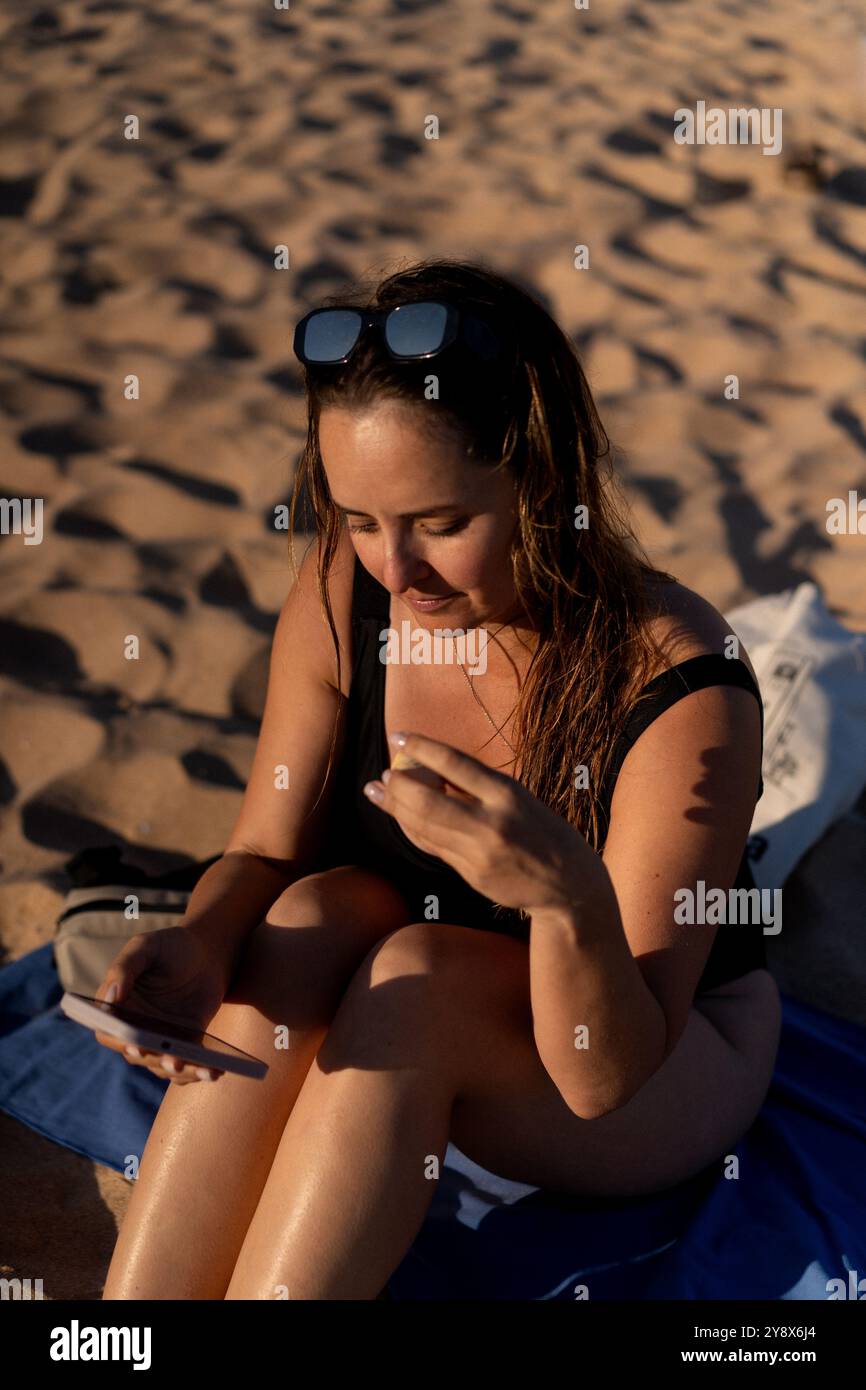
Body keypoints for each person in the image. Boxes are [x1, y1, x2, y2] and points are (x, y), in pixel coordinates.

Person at [97, 258, 781, 1300]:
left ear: (541, 482)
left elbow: (605, 1072)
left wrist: (564, 898)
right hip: (410, 980)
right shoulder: (348, 591)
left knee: (421, 982)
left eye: (440, 523)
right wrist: (203, 938)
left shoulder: (679, 684)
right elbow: (262, 853)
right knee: (315, 908)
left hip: (655, 1057)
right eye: (360, 518)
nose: (394, 570)